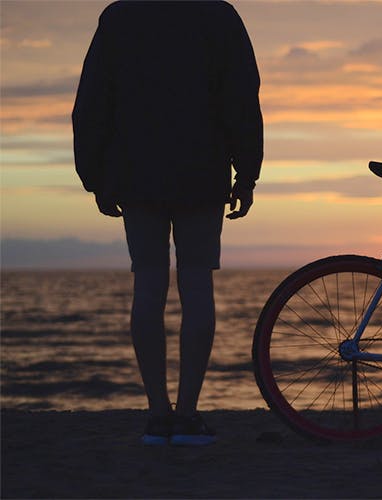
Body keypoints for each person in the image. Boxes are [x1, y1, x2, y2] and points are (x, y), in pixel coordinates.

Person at [72, 1, 263, 446]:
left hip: (137, 174)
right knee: (196, 286)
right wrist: (247, 172)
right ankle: (188, 414)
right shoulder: (217, 16)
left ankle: (159, 415)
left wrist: (94, 176)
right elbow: (241, 96)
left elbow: (92, 101)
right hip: (201, 171)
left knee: (149, 285)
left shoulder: (121, 17)